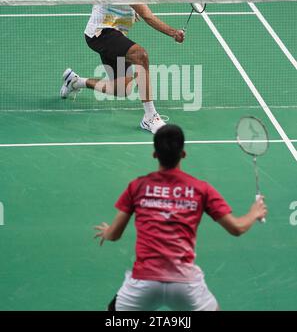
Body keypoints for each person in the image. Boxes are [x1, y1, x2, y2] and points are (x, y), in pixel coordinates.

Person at [94, 124, 268, 311]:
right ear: (183, 154)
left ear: (155, 154)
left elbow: (114, 234)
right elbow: (237, 228)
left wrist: (107, 232)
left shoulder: (137, 186)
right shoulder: (201, 189)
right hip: (185, 284)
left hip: (144, 282)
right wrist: (254, 213)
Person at [60, 0, 184, 134]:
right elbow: (147, 15)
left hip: (106, 31)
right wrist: (173, 33)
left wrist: (127, 12)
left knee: (122, 89)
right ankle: (150, 117)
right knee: (141, 55)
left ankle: (76, 81)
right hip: (101, 33)